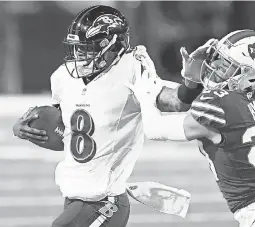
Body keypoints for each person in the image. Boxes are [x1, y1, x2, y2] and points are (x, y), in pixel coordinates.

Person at [12, 5, 201, 227]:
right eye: (78, 48)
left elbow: (175, 101)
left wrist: (191, 84)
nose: (80, 55)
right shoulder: (63, 77)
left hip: (105, 201)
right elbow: (69, 132)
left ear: (112, 46)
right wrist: (23, 129)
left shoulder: (131, 70)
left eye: (88, 48)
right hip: (74, 199)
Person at [127, 29, 255, 227]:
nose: (216, 67)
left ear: (250, 75)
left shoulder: (219, 106)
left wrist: (144, 96)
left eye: (227, 66)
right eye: (218, 59)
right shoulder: (253, 94)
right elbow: (189, 101)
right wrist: (192, 81)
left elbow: (155, 129)